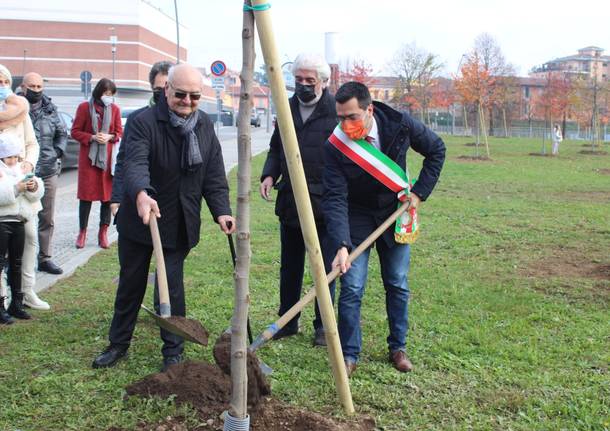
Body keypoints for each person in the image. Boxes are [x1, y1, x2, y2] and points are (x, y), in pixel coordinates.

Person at [92, 64, 235, 371]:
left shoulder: (204, 125)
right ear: (166, 90)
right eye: (180, 94)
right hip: (141, 218)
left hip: (180, 220)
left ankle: (173, 351)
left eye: (194, 96)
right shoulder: (144, 122)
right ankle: (118, 344)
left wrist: (221, 210)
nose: (187, 101)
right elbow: (134, 163)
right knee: (131, 282)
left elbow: (212, 172)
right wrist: (142, 193)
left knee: (170, 285)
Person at [323, 81, 445, 377]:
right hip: (356, 216)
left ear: (369, 110)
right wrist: (341, 243)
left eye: (351, 117)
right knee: (351, 286)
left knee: (397, 282)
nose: (345, 124)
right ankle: (350, 354)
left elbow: (436, 150)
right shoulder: (335, 146)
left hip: (394, 211)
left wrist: (419, 192)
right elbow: (335, 197)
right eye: (340, 117)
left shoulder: (399, 124)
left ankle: (398, 348)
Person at [259, 53, 337, 346]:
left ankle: (323, 325)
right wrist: (269, 174)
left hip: (325, 204)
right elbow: (276, 147)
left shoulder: (335, 110)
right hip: (290, 201)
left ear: (324, 82)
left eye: (310, 81)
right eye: (299, 80)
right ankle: (288, 321)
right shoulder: (286, 106)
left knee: (326, 267)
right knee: (290, 265)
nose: (303, 85)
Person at [0, 64, 46, 312]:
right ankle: (2, 297)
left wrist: (28, 163)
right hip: (2, 190)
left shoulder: (21, 111)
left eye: (3, 82)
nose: (1, 87)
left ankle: (26, 291)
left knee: (30, 239)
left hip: (23, 185)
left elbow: (33, 144)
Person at [21, 72, 67, 282]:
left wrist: (57, 152)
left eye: (40, 86)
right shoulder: (16, 108)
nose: (37, 90)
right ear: (23, 87)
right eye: (33, 86)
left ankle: (45, 257)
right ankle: (20, 259)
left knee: (46, 217)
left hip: (48, 169)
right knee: (21, 218)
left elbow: (62, 133)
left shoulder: (51, 109)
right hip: (23, 172)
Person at [110, 61, 173, 217]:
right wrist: (116, 197)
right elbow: (123, 159)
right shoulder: (136, 119)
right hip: (140, 195)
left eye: (167, 88)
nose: (163, 94)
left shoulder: (183, 120)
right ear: (151, 88)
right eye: (158, 89)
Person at [71, 78, 122, 249]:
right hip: (89, 160)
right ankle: (82, 232)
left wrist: (109, 137)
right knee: (85, 198)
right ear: (99, 92)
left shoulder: (114, 109)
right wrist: (92, 137)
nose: (109, 97)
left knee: (107, 198)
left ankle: (103, 232)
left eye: (111, 94)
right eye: (107, 93)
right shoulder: (84, 107)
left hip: (107, 161)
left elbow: (119, 132)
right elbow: (75, 131)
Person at [0, 134, 45, 324]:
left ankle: (17, 302)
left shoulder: (21, 168)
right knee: (1, 264)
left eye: (16, 156)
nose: (14, 161)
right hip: (2, 222)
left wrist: (34, 187)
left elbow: (36, 193)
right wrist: (16, 188)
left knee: (17, 262)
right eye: (9, 157)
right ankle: (1, 304)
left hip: (20, 221)